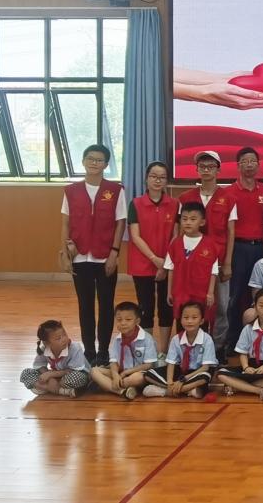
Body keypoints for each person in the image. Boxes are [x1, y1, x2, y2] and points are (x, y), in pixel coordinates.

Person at [60, 143, 126, 365]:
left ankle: (104, 351)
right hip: (80, 257)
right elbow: (65, 223)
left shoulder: (115, 190)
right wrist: (65, 254)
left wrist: (114, 253)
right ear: (83, 161)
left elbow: (120, 222)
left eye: (99, 160)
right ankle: (89, 351)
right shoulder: (71, 191)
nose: (94, 163)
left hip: (105, 256)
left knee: (106, 305)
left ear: (106, 164)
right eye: (90, 158)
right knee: (85, 305)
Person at [178, 150, 236, 346]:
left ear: (218, 170)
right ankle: (194, 344)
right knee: (195, 303)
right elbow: (181, 231)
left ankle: (217, 347)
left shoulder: (228, 198)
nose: (206, 170)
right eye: (202, 166)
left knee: (221, 306)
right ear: (197, 169)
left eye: (211, 166)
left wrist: (227, 263)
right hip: (192, 262)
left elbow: (231, 232)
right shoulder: (186, 198)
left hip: (219, 261)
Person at [126, 161, 177, 357]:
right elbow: (135, 236)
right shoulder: (136, 204)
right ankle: (148, 351)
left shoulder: (174, 204)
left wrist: (165, 264)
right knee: (145, 308)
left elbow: (176, 236)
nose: (157, 180)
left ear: (166, 181)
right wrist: (154, 259)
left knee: (166, 307)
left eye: (162, 177)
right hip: (142, 263)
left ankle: (163, 351)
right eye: (153, 176)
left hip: (168, 264)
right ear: (146, 179)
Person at [226, 147, 263, 352]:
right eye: (245, 161)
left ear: (258, 164)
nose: (249, 164)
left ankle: (260, 340)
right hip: (238, 248)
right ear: (238, 165)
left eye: (253, 161)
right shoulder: (228, 192)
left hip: (260, 248)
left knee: (260, 295)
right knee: (236, 295)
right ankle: (233, 341)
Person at [216, 288, 263, 400]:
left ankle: (239, 386)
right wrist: (246, 367)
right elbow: (243, 353)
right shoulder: (248, 328)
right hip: (251, 367)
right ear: (255, 306)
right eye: (261, 305)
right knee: (221, 374)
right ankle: (259, 390)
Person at [142, 301, 218, 399]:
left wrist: (183, 380)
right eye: (186, 318)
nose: (189, 321)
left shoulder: (207, 339)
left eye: (194, 318)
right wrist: (170, 382)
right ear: (180, 320)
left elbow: (205, 368)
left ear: (201, 321)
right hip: (182, 371)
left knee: (205, 377)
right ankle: (180, 390)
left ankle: (168, 391)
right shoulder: (176, 339)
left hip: (197, 372)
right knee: (148, 374)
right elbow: (171, 363)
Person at [164, 202, 220, 326]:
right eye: (184, 219)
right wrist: (169, 292)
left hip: (201, 294)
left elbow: (214, 271)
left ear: (202, 222)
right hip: (180, 293)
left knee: (201, 324)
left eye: (193, 219)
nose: (188, 222)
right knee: (181, 324)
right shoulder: (175, 244)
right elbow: (170, 269)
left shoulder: (210, 244)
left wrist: (210, 293)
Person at [90, 302, 159, 400]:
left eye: (128, 319)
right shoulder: (117, 340)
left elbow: (148, 365)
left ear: (137, 321)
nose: (123, 323)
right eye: (119, 319)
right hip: (121, 372)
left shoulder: (147, 339)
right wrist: (115, 375)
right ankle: (122, 391)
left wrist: (126, 373)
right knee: (94, 371)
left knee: (137, 378)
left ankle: (108, 385)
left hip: (138, 372)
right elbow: (113, 361)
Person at [20, 320, 90, 398]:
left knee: (72, 378)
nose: (64, 339)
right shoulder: (43, 349)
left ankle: (48, 388)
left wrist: (50, 375)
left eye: (64, 335)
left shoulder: (75, 348)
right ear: (47, 343)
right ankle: (61, 390)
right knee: (26, 373)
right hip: (57, 376)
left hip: (76, 373)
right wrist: (50, 379)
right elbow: (40, 365)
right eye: (58, 338)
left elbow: (72, 370)